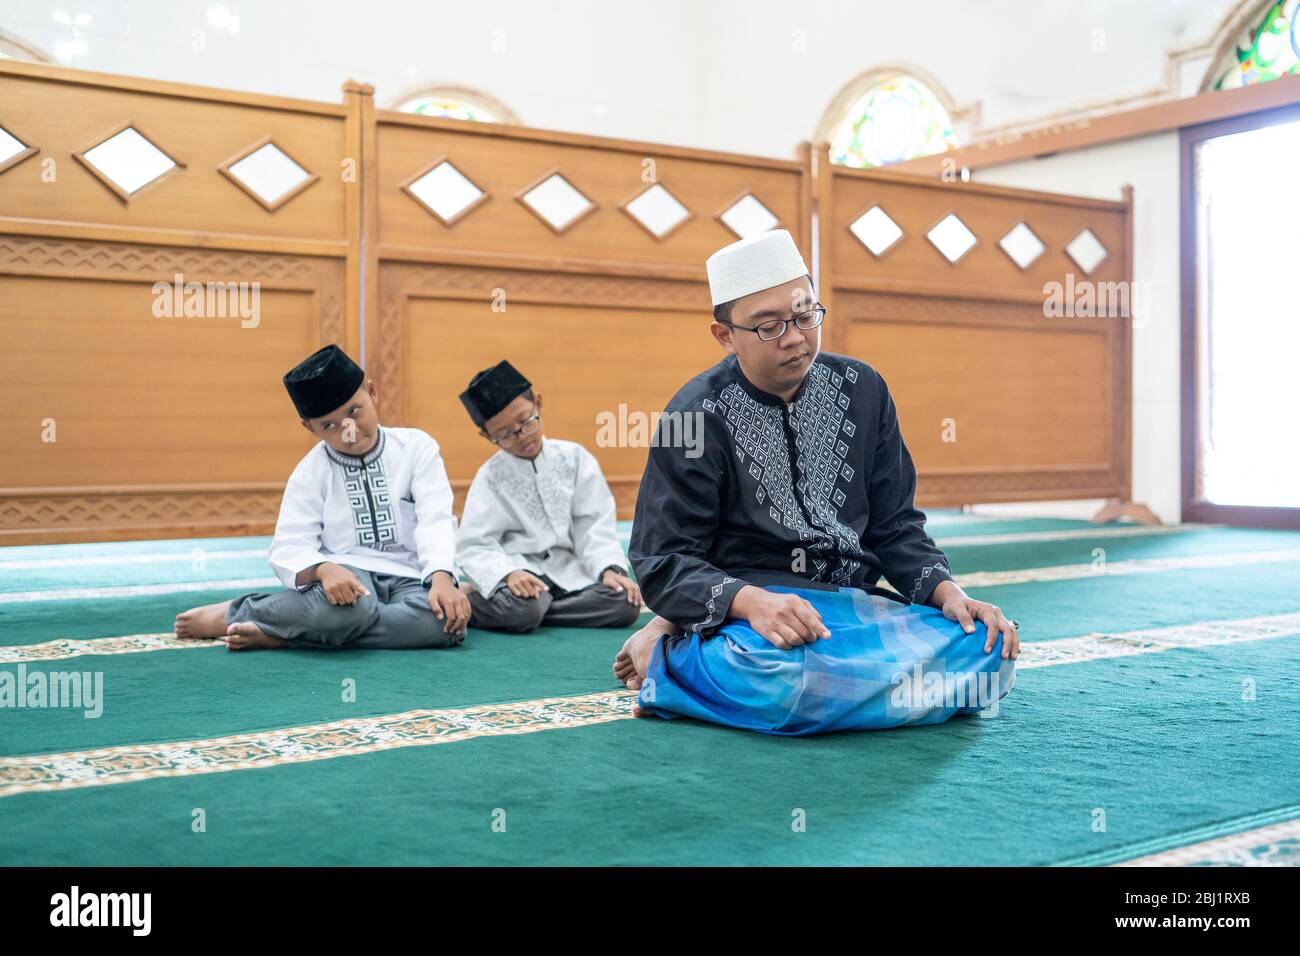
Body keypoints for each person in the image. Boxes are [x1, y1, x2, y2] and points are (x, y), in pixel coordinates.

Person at [613, 229, 1018, 734]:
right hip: (757, 618)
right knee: (783, 678)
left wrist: (949, 593)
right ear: (725, 335)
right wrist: (749, 602)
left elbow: (895, 527)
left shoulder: (863, 389)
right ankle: (666, 659)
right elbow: (663, 558)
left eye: (805, 315)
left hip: (851, 608)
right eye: (769, 326)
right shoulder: (693, 416)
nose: (795, 337)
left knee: (988, 649)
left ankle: (729, 678)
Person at [174, 344, 470, 650]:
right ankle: (242, 611)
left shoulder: (417, 447)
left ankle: (284, 632)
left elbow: (435, 519)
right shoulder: (309, 472)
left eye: (354, 411)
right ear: (309, 428)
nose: (349, 430)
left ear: (371, 391)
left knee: (444, 624)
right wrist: (322, 569)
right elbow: (289, 545)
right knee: (350, 611)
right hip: (346, 574)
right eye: (329, 425)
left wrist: (441, 577)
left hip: (410, 573)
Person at [456, 360, 642, 633]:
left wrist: (607, 569)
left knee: (624, 603)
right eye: (505, 435)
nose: (521, 437)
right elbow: (475, 545)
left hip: (570, 571)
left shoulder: (575, 458)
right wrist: (507, 574)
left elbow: (593, 527)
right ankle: (491, 602)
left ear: (538, 403)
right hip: (520, 574)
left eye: (526, 422)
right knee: (524, 606)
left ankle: (534, 614)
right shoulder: (490, 477)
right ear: (487, 436)